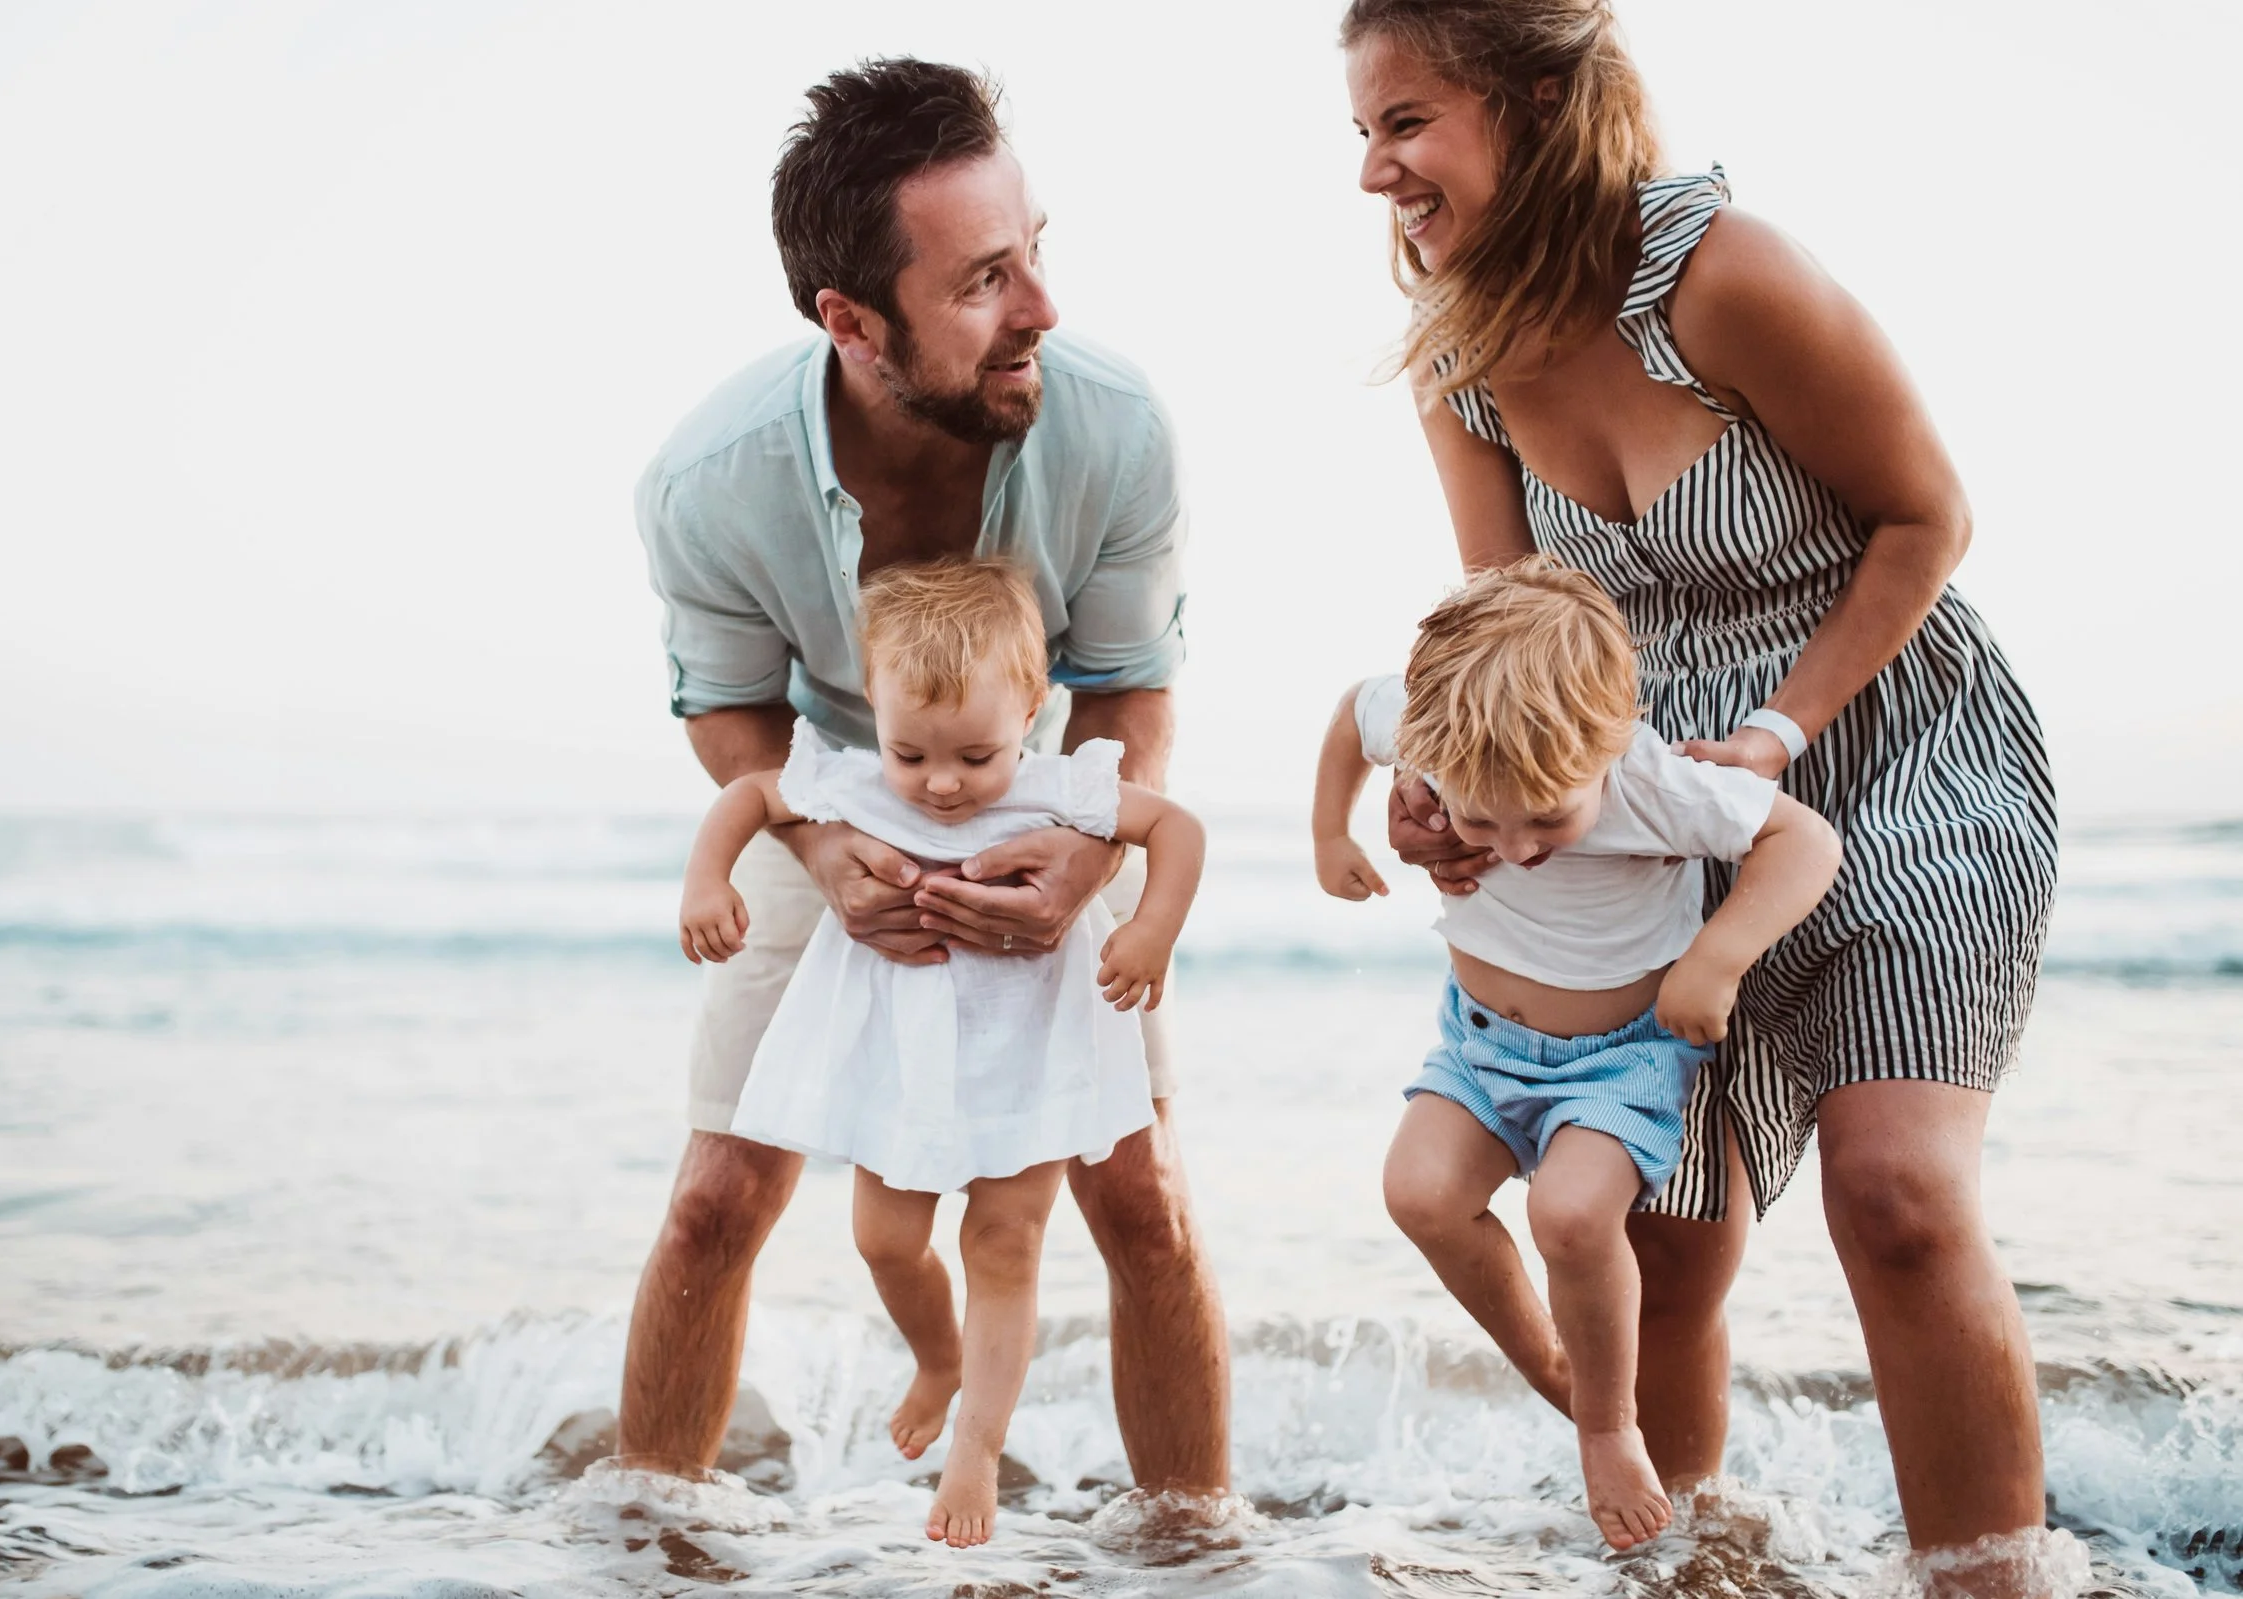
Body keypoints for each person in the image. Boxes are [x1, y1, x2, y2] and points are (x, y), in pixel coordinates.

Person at [1338, 0, 2060, 1576]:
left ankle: (1996, 1575)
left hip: (1902, 747)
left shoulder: (1721, 274)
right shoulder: (1460, 353)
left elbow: (1926, 519)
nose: (1377, 169)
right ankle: (1688, 1564)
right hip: (1657, 805)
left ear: (1528, 102)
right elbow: (1501, 614)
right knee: (1665, 1235)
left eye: (1406, 122)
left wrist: (1785, 728)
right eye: (1366, 134)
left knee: (1901, 1197)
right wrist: (1440, 781)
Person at [622, 57, 1230, 1502]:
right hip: (823, 793)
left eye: (1034, 255)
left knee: (1140, 1198)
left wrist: (1088, 861)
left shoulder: (1118, 426)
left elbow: (1131, 687)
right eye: (983, 282)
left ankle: (1200, 1548)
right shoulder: (708, 483)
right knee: (721, 1196)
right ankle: (645, 1545)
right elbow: (732, 715)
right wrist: (829, 847)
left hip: (1045, 798)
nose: (1041, 310)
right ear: (851, 320)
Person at [1312, 558, 1839, 1548]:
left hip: (1620, 1059)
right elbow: (1352, 713)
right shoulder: (1435, 729)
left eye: (1547, 817)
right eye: (1479, 818)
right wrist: (1327, 832)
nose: (1511, 848)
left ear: (1605, 745)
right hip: (1477, 1047)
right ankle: (1560, 1373)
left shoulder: (1651, 782)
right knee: (1419, 1193)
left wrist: (1716, 961)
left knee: (1568, 1213)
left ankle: (1605, 1427)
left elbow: (1802, 842)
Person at [678, 559, 1205, 1546]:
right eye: (910, 753)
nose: (942, 782)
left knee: (1004, 1245)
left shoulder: (1059, 790)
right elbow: (749, 797)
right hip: (897, 1062)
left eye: (975, 754)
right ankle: (936, 1355)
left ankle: (976, 1449)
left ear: (1031, 710)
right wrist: (708, 881)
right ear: (873, 711)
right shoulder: (853, 783)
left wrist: (1150, 930)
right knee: (883, 1239)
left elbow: (1173, 826)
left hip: (1026, 1056)